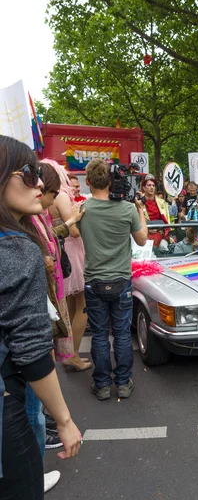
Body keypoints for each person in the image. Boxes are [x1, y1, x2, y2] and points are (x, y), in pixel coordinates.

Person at [0, 135, 82, 500]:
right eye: (28, 173)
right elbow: (30, 352)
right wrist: (64, 421)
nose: (40, 184)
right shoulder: (16, 250)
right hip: (5, 412)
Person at [77, 157, 148, 400]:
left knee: (98, 335)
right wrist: (141, 211)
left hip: (94, 282)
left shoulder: (82, 210)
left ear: (87, 182)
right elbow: (141, 240)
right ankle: (124, 383)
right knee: (120, 334)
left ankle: (103, 384)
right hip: (121, 282)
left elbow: (74, 232)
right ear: (110, 180)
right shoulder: (127, 209)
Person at [45, 159, 90, 371]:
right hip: (72, 251)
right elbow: (72, 230)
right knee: (82, 307)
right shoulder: (61, 196)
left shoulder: (50, 197)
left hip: (62, 250)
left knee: (71, 306)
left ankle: (68, 352)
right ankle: (73, 355)